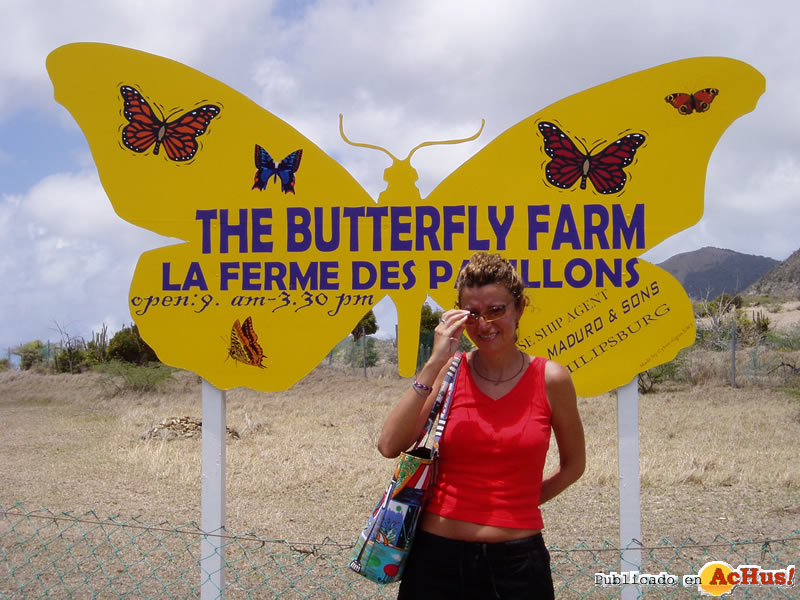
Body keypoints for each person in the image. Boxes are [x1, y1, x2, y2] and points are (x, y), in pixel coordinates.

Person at [377, 251, 585, 599]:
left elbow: (574, 465)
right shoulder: (450, 370)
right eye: (472, 313)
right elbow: (388, 445)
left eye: (496, 310)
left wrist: (519, 502)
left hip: (517, 565)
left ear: (519, 308)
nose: (484, 323)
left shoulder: (551, 379)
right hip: (435, 561)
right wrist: (435, 360)